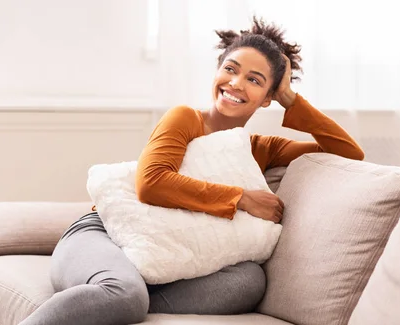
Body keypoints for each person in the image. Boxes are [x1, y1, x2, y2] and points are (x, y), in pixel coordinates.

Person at [19, 17, 364, 325]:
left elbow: (348, 152)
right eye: (230, 69)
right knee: (125, 295)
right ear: (217, 71)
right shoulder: (185, 118)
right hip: (105, 234)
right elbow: (151, 184)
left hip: (167, 257)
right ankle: (120, 295)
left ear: (267, 98)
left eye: (255, 80)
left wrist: (291, 97)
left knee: (248, 281)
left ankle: (120, 300)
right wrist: (241, 198)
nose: (236, 83)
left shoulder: (261, 148)